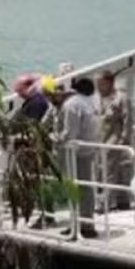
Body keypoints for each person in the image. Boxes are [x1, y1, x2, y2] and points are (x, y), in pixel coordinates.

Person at [50, 76, 100, 240]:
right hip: (88, 150)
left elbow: (70, 133)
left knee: (73, 188)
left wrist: (55, 138)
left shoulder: (72, 105)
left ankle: (76, 224)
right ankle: (87, 223)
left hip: (74, 153)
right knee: (86, 188)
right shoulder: (89, 102)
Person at [96, 70, 133, 211]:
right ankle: (122, 200)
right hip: (100, 139)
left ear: (109, 82)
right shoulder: (97, 98)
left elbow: (127, 119)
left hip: (114, 139)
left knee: (109, 172)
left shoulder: (121, 98)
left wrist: (124, 139)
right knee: (107, 171)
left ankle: (106, 203)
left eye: (101, 84)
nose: (98, 87)